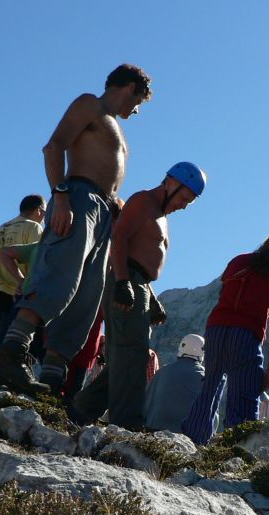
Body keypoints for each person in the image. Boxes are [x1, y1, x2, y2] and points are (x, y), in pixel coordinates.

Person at [0, 63, 153, 396]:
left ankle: (52, 377)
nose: (135, 111)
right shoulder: (91, 104)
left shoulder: (116, 127)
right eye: (138, 102)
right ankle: (12, 351)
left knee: (86, 297)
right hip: (79, 197)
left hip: (104, 212)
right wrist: (60, 196)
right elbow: (54, 145)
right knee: (60, 276)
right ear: (130, 87)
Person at [103, 162, 206, 430]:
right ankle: (127, 422)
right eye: (184, 198)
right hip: (128, 279)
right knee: (134, 355)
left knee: (127, 358)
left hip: (140, 284)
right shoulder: (143, 201)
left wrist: (151, 297)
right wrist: (123, 282)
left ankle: (82, 408)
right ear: (171, 182)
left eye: (190, 202)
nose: (184, 205)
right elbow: (120, 238)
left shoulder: (160, 215)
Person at [182, 233, 269, 445]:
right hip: (246, 334)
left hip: (216, 329)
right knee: (244, 397)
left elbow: (223, 295)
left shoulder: (238, 261)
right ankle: (237, 450)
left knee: (210, 387)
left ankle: (192, 443)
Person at [0, 195, 45, 357]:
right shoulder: (33, 227)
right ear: (38, 210)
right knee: (6, 339)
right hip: (15, 289)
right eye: (44, 211)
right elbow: (36, 261)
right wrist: (24, 282)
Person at [144, 334, 208, 433]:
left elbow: (147, 400)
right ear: (202, 354)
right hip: (187, 434)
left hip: (154, 429)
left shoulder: (163, 371)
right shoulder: (205, 377)